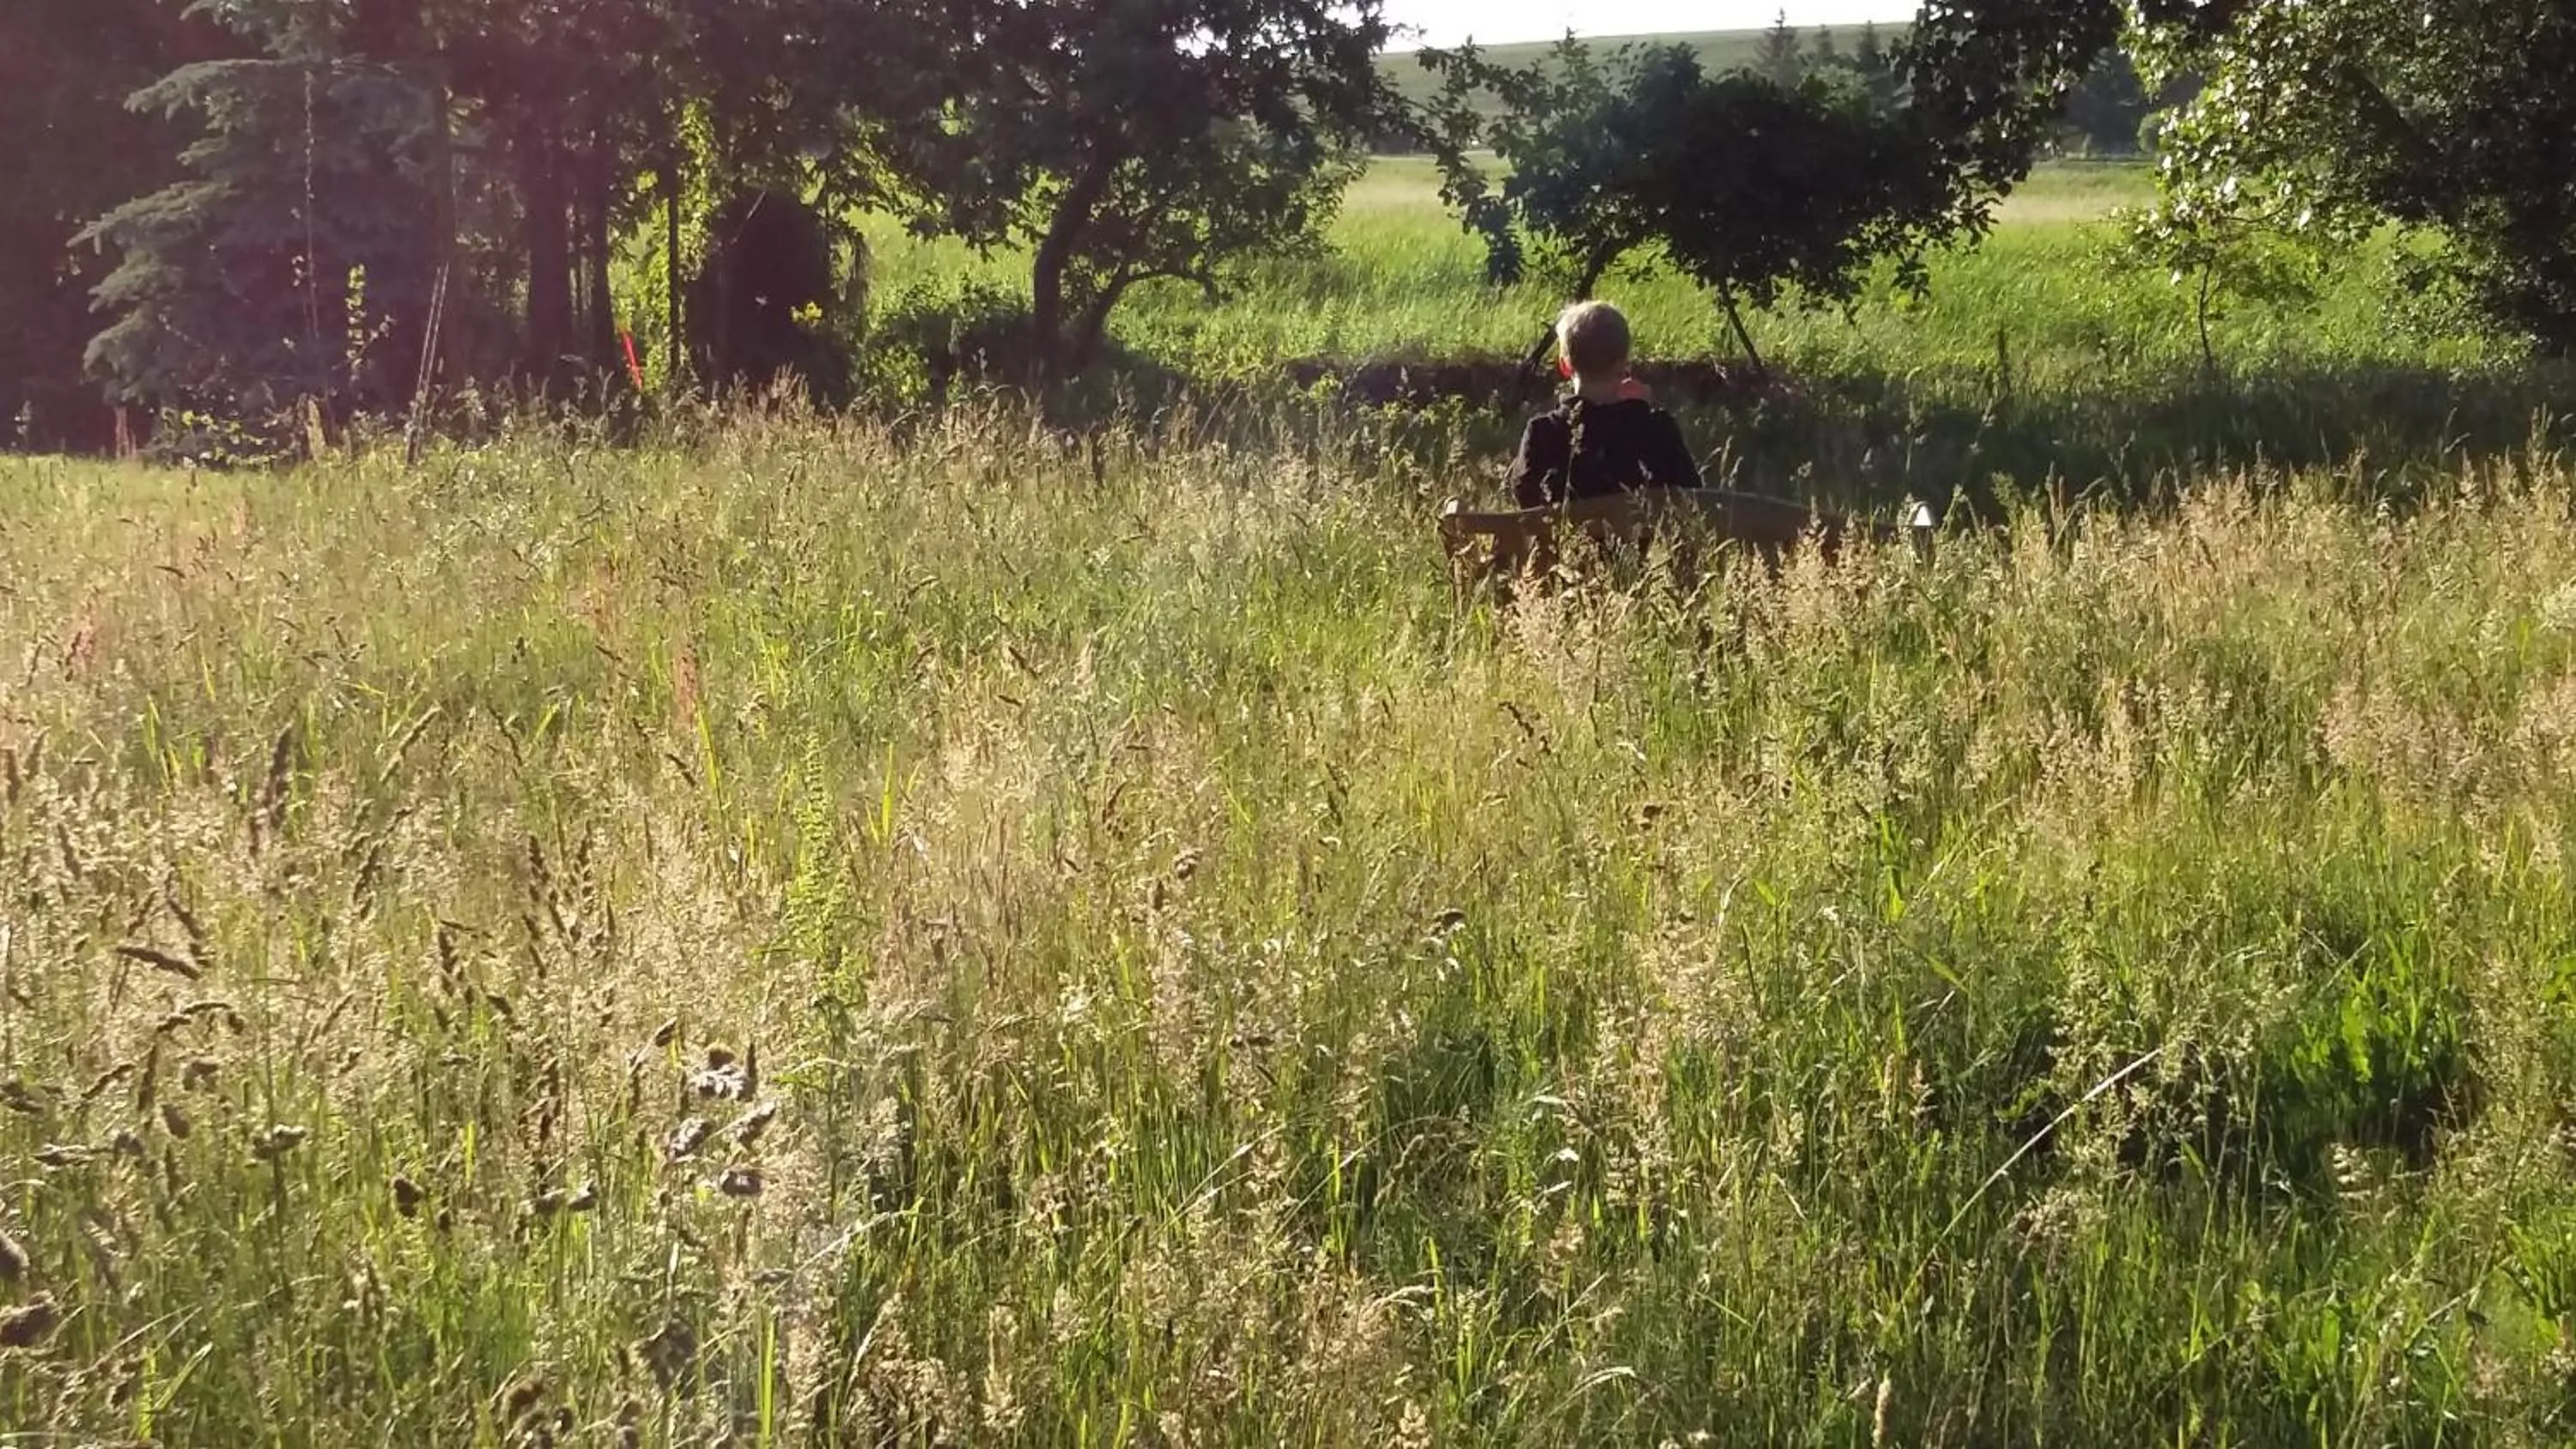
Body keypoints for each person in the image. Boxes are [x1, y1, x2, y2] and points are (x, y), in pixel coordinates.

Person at [1505, 300, 1705, 509]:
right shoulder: (1658, 430)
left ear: (1565, 366)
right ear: (1623, 364)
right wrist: (1641, 412)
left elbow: (1525, 500)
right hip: (1641, 541)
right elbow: (1691, 500)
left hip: (1563, 541)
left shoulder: (1542, 434)